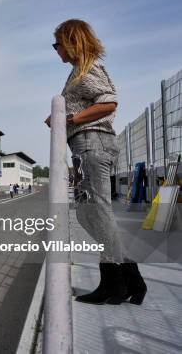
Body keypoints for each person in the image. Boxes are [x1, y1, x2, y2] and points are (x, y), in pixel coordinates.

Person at [46, 19, 146, 305]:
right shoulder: (78, 72)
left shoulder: (86, 70)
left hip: (92, 142)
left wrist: (69, 119)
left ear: (70, 41)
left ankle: (118, 281)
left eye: (57, 44)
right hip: (83, 145)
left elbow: (108, 102)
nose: (55, 50)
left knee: (96, 212)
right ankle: (127, 280)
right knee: (88, 213)